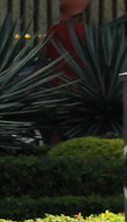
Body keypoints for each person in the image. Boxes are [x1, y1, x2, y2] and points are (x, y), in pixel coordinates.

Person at [41, 0, 90, 146]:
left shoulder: (53, 31)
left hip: (55, 87)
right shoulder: (83, 31)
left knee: (56, 127)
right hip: (79, 88)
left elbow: (42, 59)